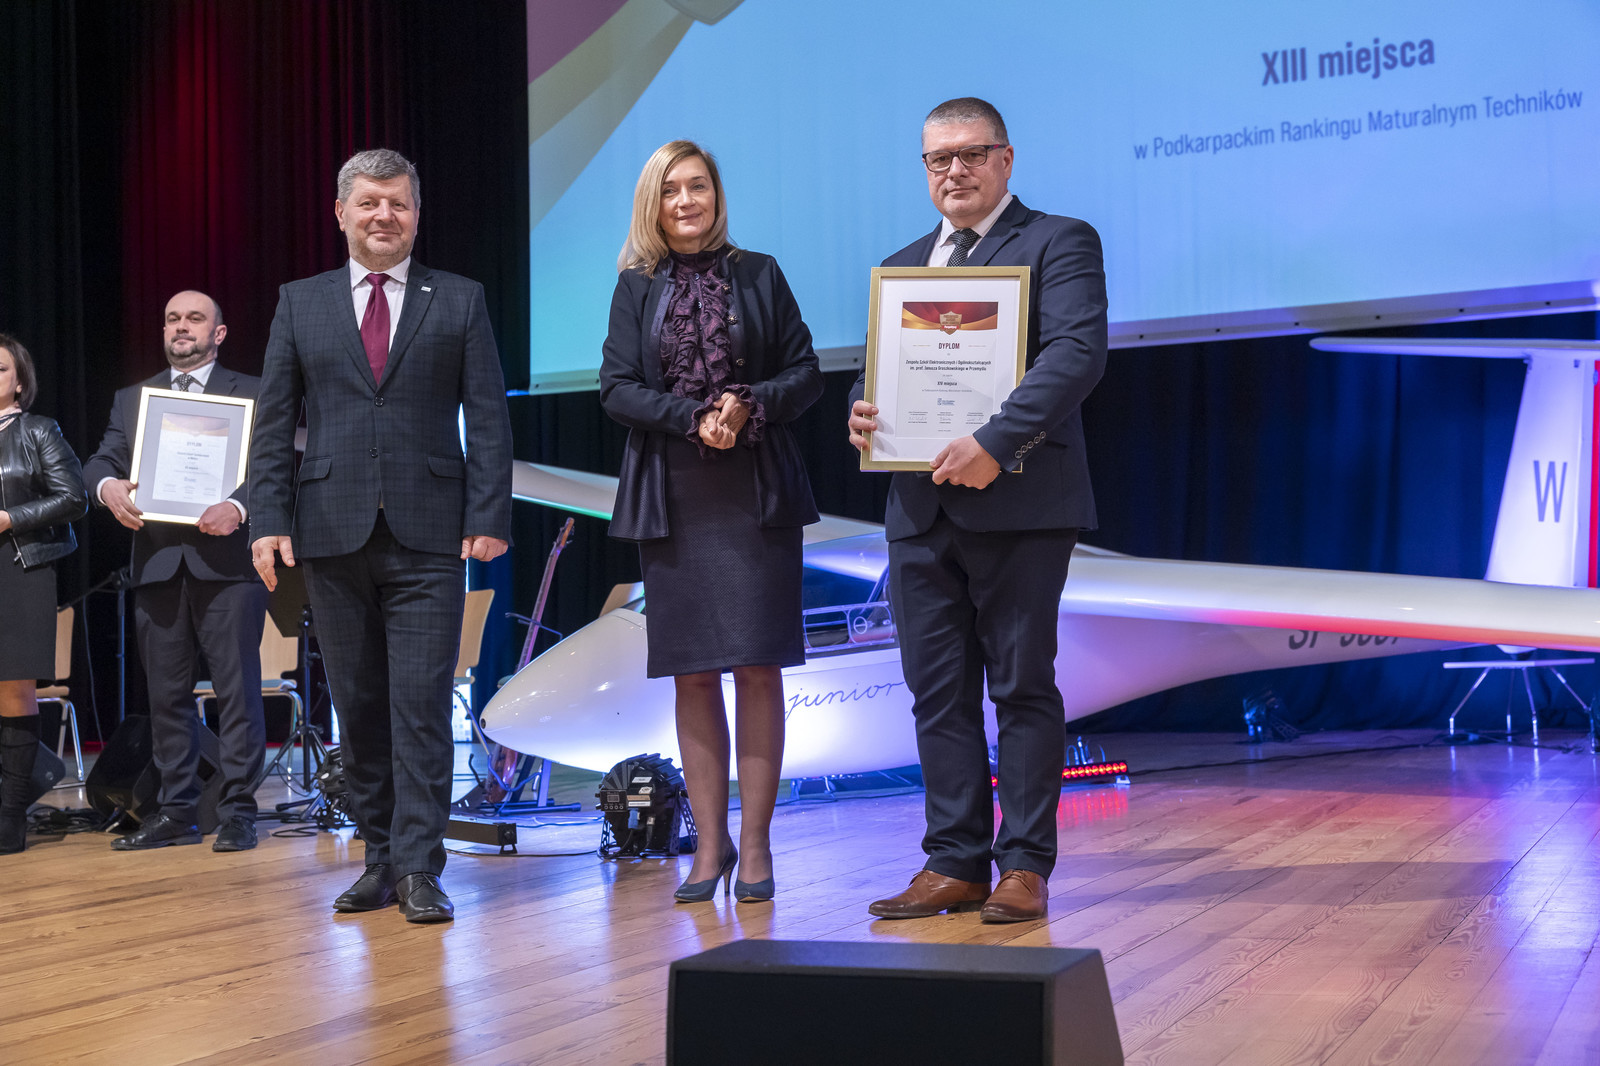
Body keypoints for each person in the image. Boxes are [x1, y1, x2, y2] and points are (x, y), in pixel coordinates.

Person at [849, 98, 1108, 922]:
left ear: (1005, 159)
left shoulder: (1059, 240)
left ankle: (1024, 864)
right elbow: (880, 373)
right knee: (936, 695)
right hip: (919, 509)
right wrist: (863, 410)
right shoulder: (902, 265)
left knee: (1022, 686)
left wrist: (994, 441)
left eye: (971, 154)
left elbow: (1076, 353)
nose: (954, 171)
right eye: (939, 159)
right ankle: (953, 862)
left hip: (1021, 501)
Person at [248, 149, 513, 923]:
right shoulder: (299, 303)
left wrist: (489, 515)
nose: (383, 216)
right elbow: (273, 424)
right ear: (341, 213)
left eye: (397, 203)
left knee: (422, 706)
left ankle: (421, 867)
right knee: (359, 707)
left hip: (432, 535)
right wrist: (268, 520)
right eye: (369, 203)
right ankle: (379, 858)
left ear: (416, 215)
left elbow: (488, 417)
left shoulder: (459, 298)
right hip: (329, 532)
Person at [600, 140, 823, 904]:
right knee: (692, 673)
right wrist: (692, 417)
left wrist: (747, 404)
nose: (686, 201)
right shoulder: (635, 286)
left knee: (758, 666)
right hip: (674, 493)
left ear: (716, 196)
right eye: (671, 190)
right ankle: (710, 845)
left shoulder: (760, 272)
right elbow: (616, 388)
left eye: (698, 186)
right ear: (653, 205)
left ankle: (755, 846)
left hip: (755, 491)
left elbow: (805, 372)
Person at [83, 292, 269, 853]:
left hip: (230, 567)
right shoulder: (134, 398)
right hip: (159, 565)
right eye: (171, 319)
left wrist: (237, 507)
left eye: (194, 318)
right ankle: (177, 811)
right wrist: (107, 487)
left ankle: (238, 812)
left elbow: (275, 467)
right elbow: (101, 461)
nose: (181, 326)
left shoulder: (254, 392)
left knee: (237, 695)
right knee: (166, 697)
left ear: (219, 333)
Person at [0, 334, 88, 854]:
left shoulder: (38, 430)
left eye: (0, 368)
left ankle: (10, 817)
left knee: (13, 690)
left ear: (19, 381)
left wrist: (10, 518)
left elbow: (73, 497)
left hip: (18, 567)